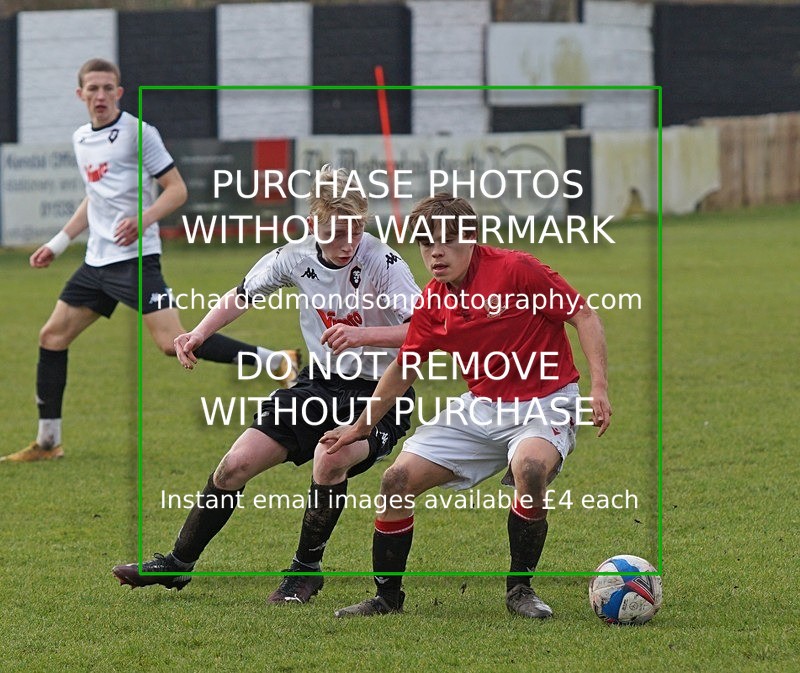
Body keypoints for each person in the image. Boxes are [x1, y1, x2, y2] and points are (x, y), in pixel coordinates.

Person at [112, 165, 421, 604]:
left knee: (328, 459)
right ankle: (178, 564)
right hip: (318, 385)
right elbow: (242, 294)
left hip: (381, 394)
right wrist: (197, 334)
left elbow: (425, 332)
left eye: (354, 229)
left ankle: (305, 570)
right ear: (312, 224)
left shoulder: (383, 261)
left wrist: (363, 335)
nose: (346, 243)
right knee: (234, 464)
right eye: (334, 232)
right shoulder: (294, 256)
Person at [322, 193, 612, 619]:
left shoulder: (516, 269)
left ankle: (520, 591)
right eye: (425, 242)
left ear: (472, 238)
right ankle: (387, 598)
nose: (435, 252)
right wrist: (362, 426)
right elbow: (405, 367)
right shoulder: (434, 300)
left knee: (530, 469)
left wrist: (599, 386)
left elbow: (583, 315)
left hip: (545, 401)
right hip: (481, 408)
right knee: (395, 480)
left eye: (447, 240)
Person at [1, 58, 298, 464]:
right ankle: (48, 442)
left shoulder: (139, 133)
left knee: (169, 342)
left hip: (136, 261)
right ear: (80, 94)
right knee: (51, 337)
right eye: (93, 88)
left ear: (119, 92)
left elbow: (176, 190)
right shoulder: (81, 139)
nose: (101, 95)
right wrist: (58, 242)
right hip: (95, 264)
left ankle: (276, 360)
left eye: (108, 88)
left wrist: (143, 221)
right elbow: (96, 198)